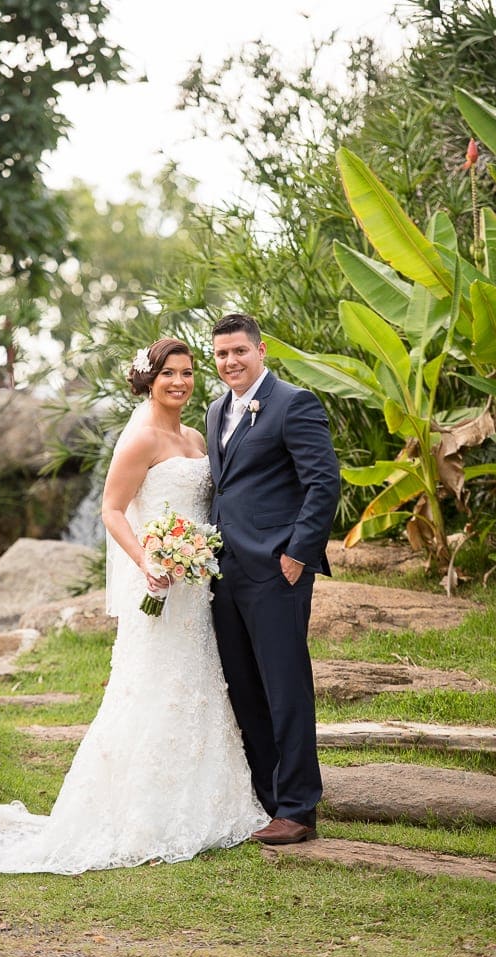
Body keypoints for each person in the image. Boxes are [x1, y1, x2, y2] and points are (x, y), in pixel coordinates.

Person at [0, 337, 266, 874]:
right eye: (168, 374)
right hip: (159, 582)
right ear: (148, 380)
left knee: (200, 685)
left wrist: (192, 557)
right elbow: (111, 510)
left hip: (196, 586)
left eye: (187, 372)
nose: (179, 382)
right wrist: (149, 563)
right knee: (153, 687)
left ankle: (211, 801)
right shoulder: (140, 438)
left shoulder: (198, 435)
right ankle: (141, 815)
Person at [206, 313, 340, 845]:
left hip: (275, 570)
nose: (231, 362)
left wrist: (298, 554)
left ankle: (299, 808)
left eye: (240, 351)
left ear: (261, 351)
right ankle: (267, 799)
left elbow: (323, 482)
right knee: (245, 688)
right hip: (222, 571)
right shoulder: (217, 409)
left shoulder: (294, 403)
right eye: (221, 355)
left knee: (285, 688)